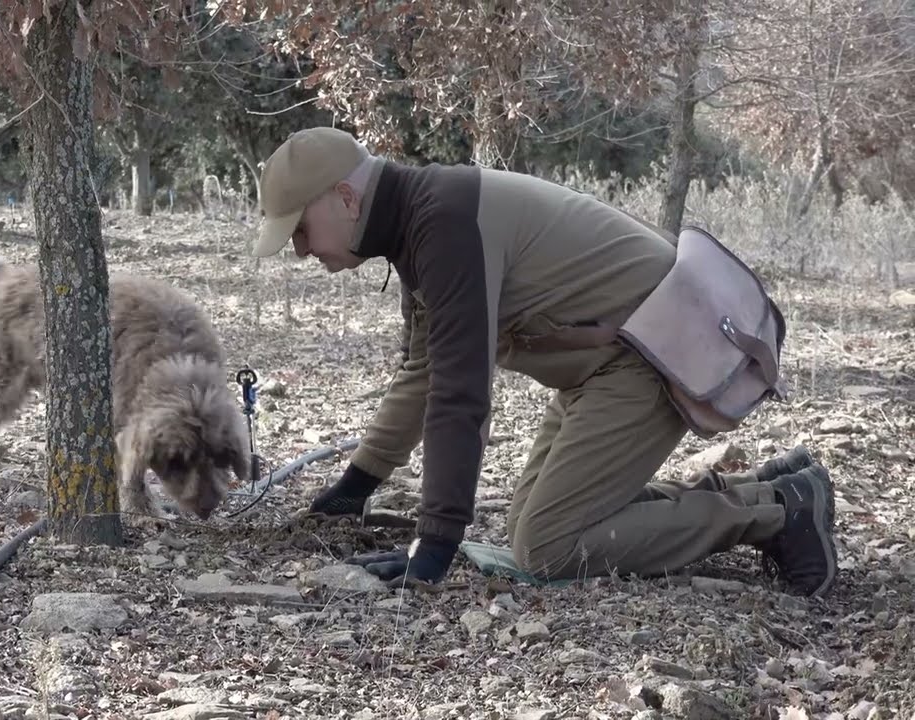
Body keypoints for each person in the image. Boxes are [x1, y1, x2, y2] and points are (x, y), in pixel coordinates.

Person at [250, 126, 840, 597]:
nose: (301, 250)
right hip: (603, 370)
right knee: (530, 527)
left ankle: (779, 514)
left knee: (549, 546)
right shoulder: (420, 217)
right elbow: (425, 372)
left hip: (653, 357)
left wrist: (433, 548)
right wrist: (357, 485)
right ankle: (762, 489)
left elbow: (460, 394)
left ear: (346, 198)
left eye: (301, 230)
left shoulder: (443, 222)